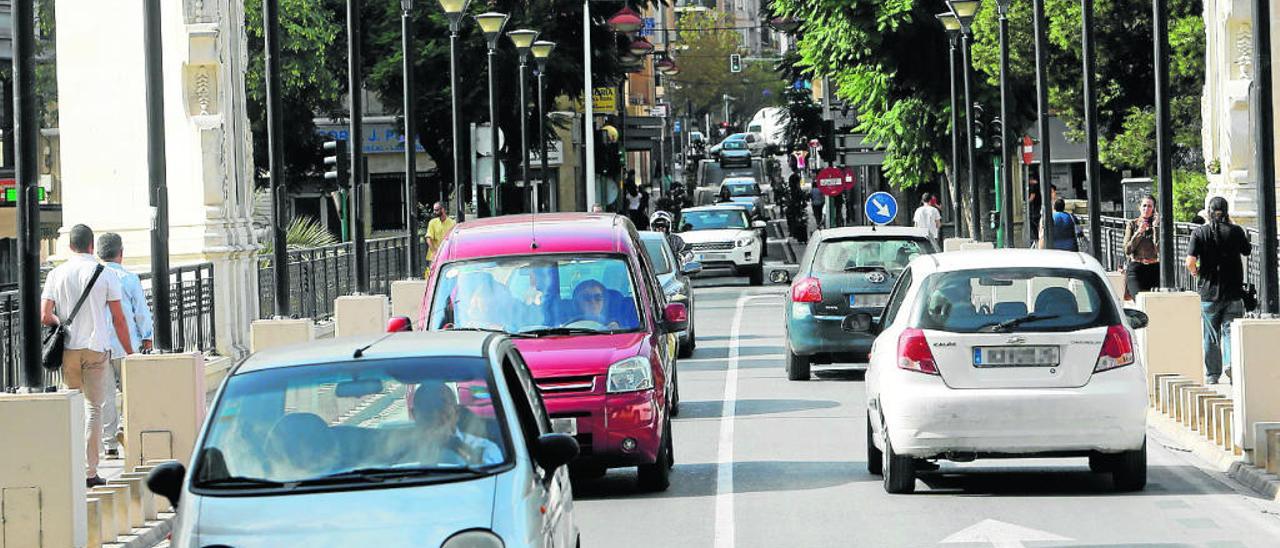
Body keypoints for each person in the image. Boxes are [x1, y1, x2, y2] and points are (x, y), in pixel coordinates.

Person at [40, 224, 133, 488]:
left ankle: (70, 465)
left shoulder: (56, 274)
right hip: (95, 348)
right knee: (93, 408)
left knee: (73, 404)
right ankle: (90, 471)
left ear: (70, 246)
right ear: (92, 245)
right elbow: (118, 319)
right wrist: (130, 352)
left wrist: (64, 323)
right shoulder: (104, 273)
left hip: (67, 348)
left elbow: (45, 315)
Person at [96, 233, 154, 458]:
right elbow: (140, 311)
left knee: (106, 395)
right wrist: (147, 336)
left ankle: (109, 443)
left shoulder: (96, 278)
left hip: (99, 344)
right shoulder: (128, 279)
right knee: (132, 390)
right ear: (121, 252)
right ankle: (129, 430)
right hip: (126, 343)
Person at [1187, 196, 1252, 384]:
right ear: (1226, 211)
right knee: (1230, 330)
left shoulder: (1200, 233)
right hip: (1233, 291)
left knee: (1211, 335)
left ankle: (1212, 375)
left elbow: (1190, 262)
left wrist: (1196, 272)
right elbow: (1247, 251)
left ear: (1208, 212)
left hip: (1209, 293)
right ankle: (1230, 363)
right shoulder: (1236, 231)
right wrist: (1231, 225)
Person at [411, 382, 504, 466]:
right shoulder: (401, 449)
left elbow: (491, 478)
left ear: (456, 413)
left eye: (444, 416)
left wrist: (457, 446)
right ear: (414, 415)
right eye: (429, 415)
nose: (436, 422)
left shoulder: (485, 450)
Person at [1121, 195, 1160, 298]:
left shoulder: (1157, 225)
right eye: (1144, 206)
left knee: (1154, 303)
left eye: (1150, 206)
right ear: (1139, 207)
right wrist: (1138, 233)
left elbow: (1159, 249)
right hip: (1136, 267)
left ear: (1154, 209)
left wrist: (1156, 228)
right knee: (1139, 300)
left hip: (1154, 268)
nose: (1146, 209)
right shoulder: (1132, 224)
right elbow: (1127, 250)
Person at [425, 202, 456, 277]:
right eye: (434, 210)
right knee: (432, 277)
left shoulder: (452, 223)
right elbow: (428, 238)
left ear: (443, 209)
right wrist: (435, 252)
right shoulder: (432, 222)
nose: (435, 212)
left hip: (447, 256)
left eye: (437, 210)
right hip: (433, 257)